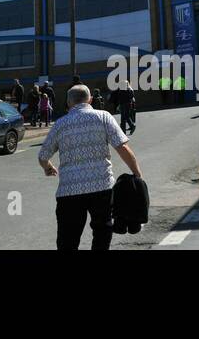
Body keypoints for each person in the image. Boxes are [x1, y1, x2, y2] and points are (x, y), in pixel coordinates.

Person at [39, 85, 143, 250]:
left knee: (68, 238)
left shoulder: (60, 124)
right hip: (101, 188)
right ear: (91, 100)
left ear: (68, 103)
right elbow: (123, 148)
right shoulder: (103, 117)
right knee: (102, 232)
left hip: (69, 191)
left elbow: (43, 155)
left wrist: (48, 167)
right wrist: (137, 174)